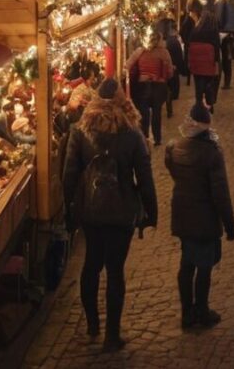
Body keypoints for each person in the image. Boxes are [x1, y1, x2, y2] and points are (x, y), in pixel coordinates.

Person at [62, 79, 158, 351]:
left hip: (90, 212)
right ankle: (111, 335)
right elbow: (146, 178)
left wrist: (70, 209)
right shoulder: (132, 133)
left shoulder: (80, 131)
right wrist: (151, 212)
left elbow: (69, 175)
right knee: (115, 271)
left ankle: (93, 324)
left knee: (91, 264)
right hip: (121, 211)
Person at [165, 104, 234, 329]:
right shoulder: (211, 153)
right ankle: (202, 310)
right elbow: (220, 193)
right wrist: (230, 224)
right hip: (204, 216)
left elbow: (173, 171)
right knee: (204, 265)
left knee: (186, 263)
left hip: (183, 212)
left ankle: (187, 312)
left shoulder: (173, 149)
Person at [126, 32, 175, 147]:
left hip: (143, 86)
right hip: (158, 86)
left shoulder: (140, 51)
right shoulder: (164, 52)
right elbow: (170, 73)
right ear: (159, 41)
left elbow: (127, 65)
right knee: (157, 113)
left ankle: (144, 137)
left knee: (144, 113)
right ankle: (157, 139)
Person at [188, 7, 222, 111]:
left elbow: (190, 46)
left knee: (198, 85)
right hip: (208, 63)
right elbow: (216, 48)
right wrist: (216, 63)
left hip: (197, 64)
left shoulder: (195, 31)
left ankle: (199, 105)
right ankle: (209, 105)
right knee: (209, 85)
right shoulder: (213, 32)